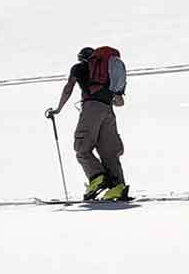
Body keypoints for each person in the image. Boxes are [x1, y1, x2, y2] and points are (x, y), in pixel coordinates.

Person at [49, 46, 130, 201]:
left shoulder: (78, 68)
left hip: (91, 108)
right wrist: (108, 95)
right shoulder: (107, 74)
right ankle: (117, 187)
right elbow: (120, 102)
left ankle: (97, 177)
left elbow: (68, 88)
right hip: (108, 110)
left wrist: (58, 109)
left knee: (82, 148)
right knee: (109, 152)